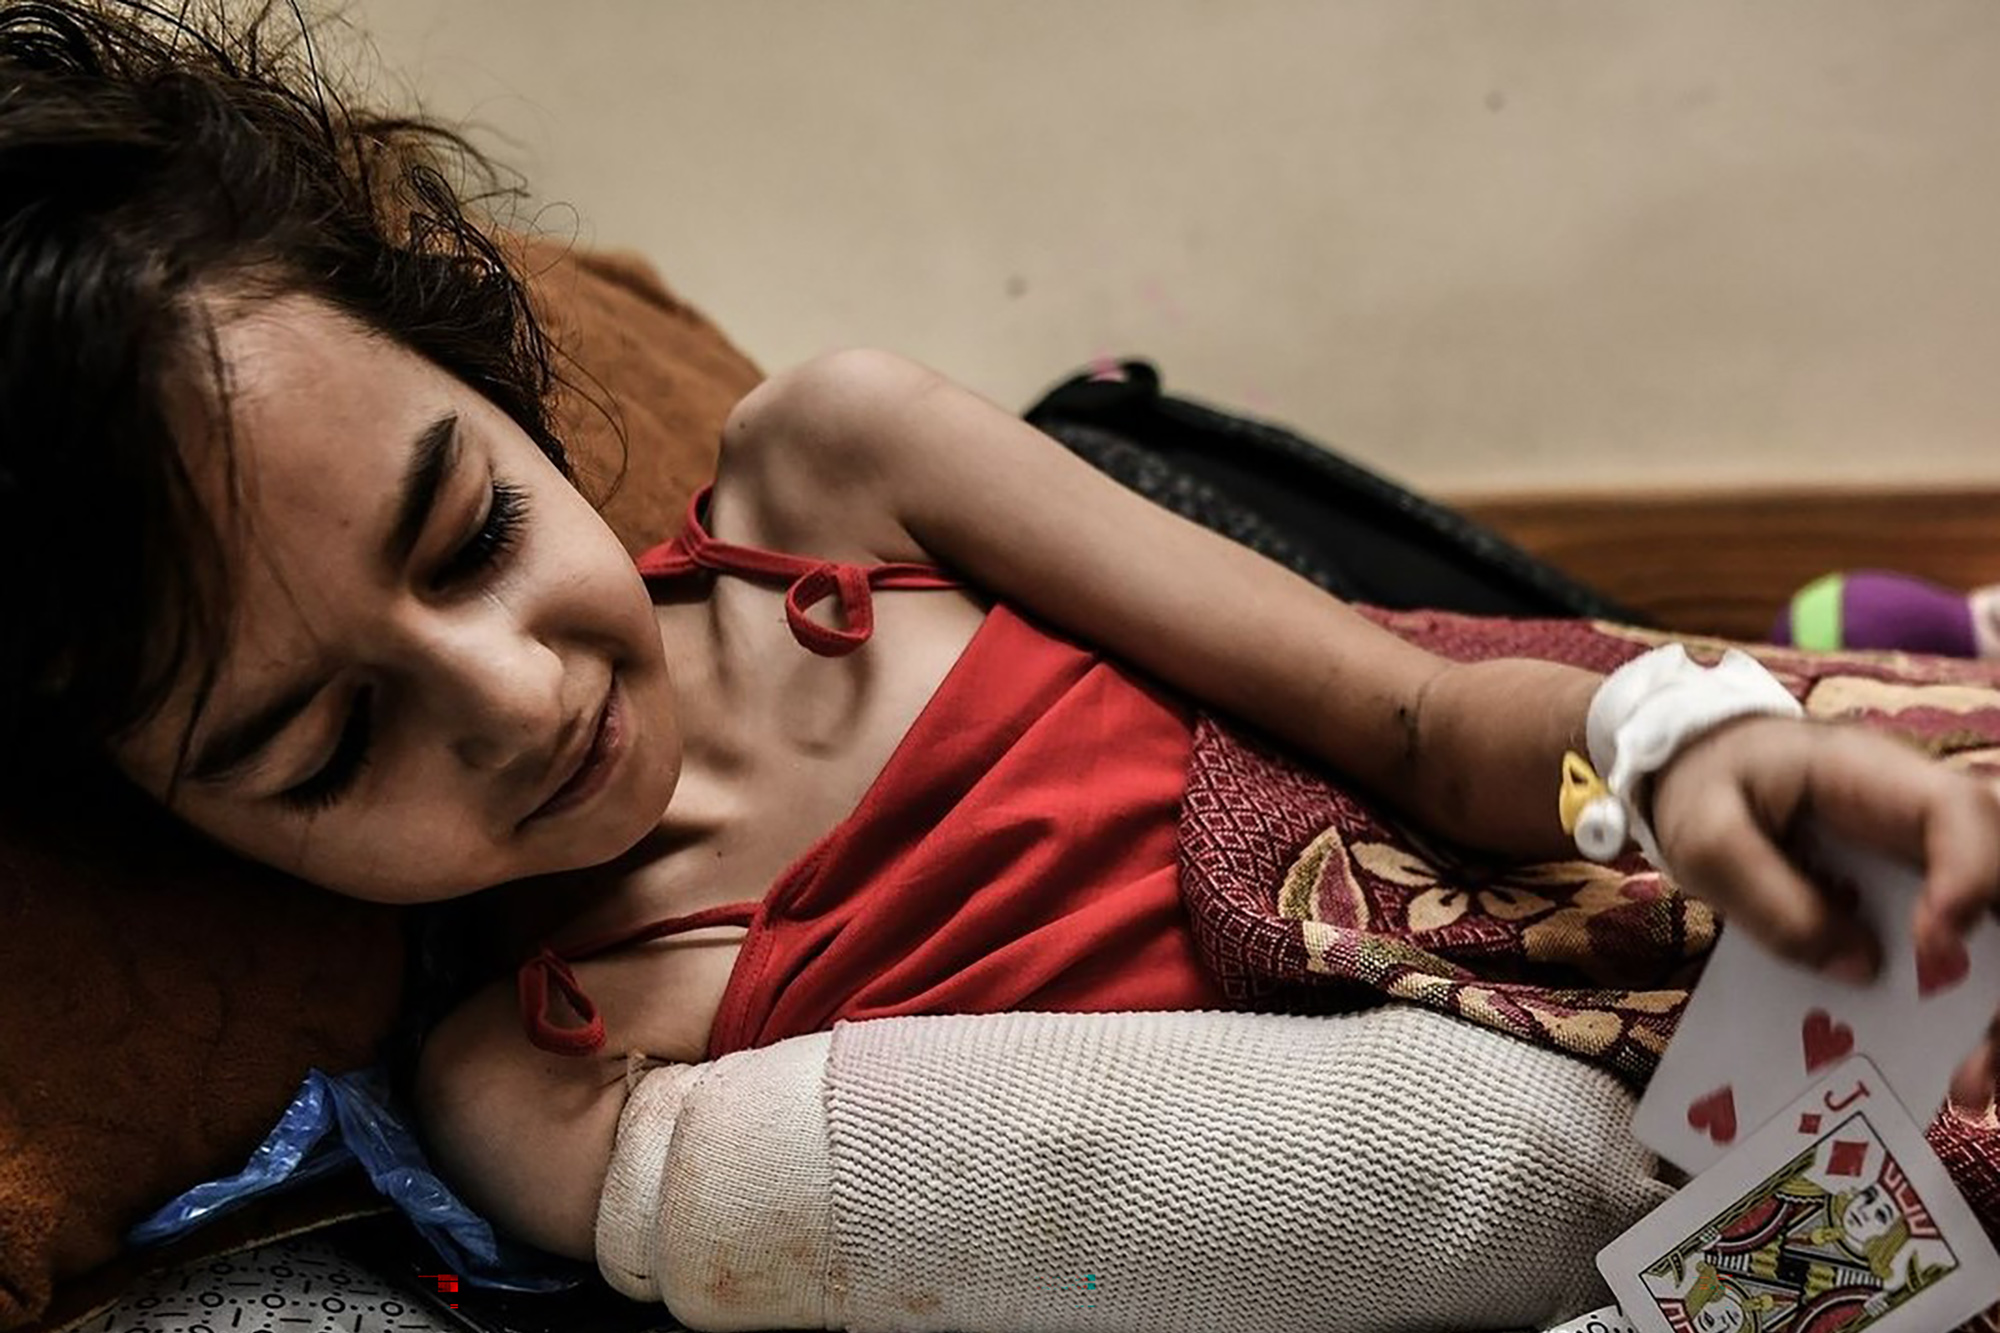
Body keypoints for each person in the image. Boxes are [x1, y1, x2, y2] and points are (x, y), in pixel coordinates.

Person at [4, 0, 1997, 1286]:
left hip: (1611, 884)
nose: (515, 699)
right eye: (327, 745)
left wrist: (1673, 742)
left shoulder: (848, 467)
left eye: (472, 531)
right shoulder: (553, 1091)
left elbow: (1405, 704)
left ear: (492, 372)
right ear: (184, 833)